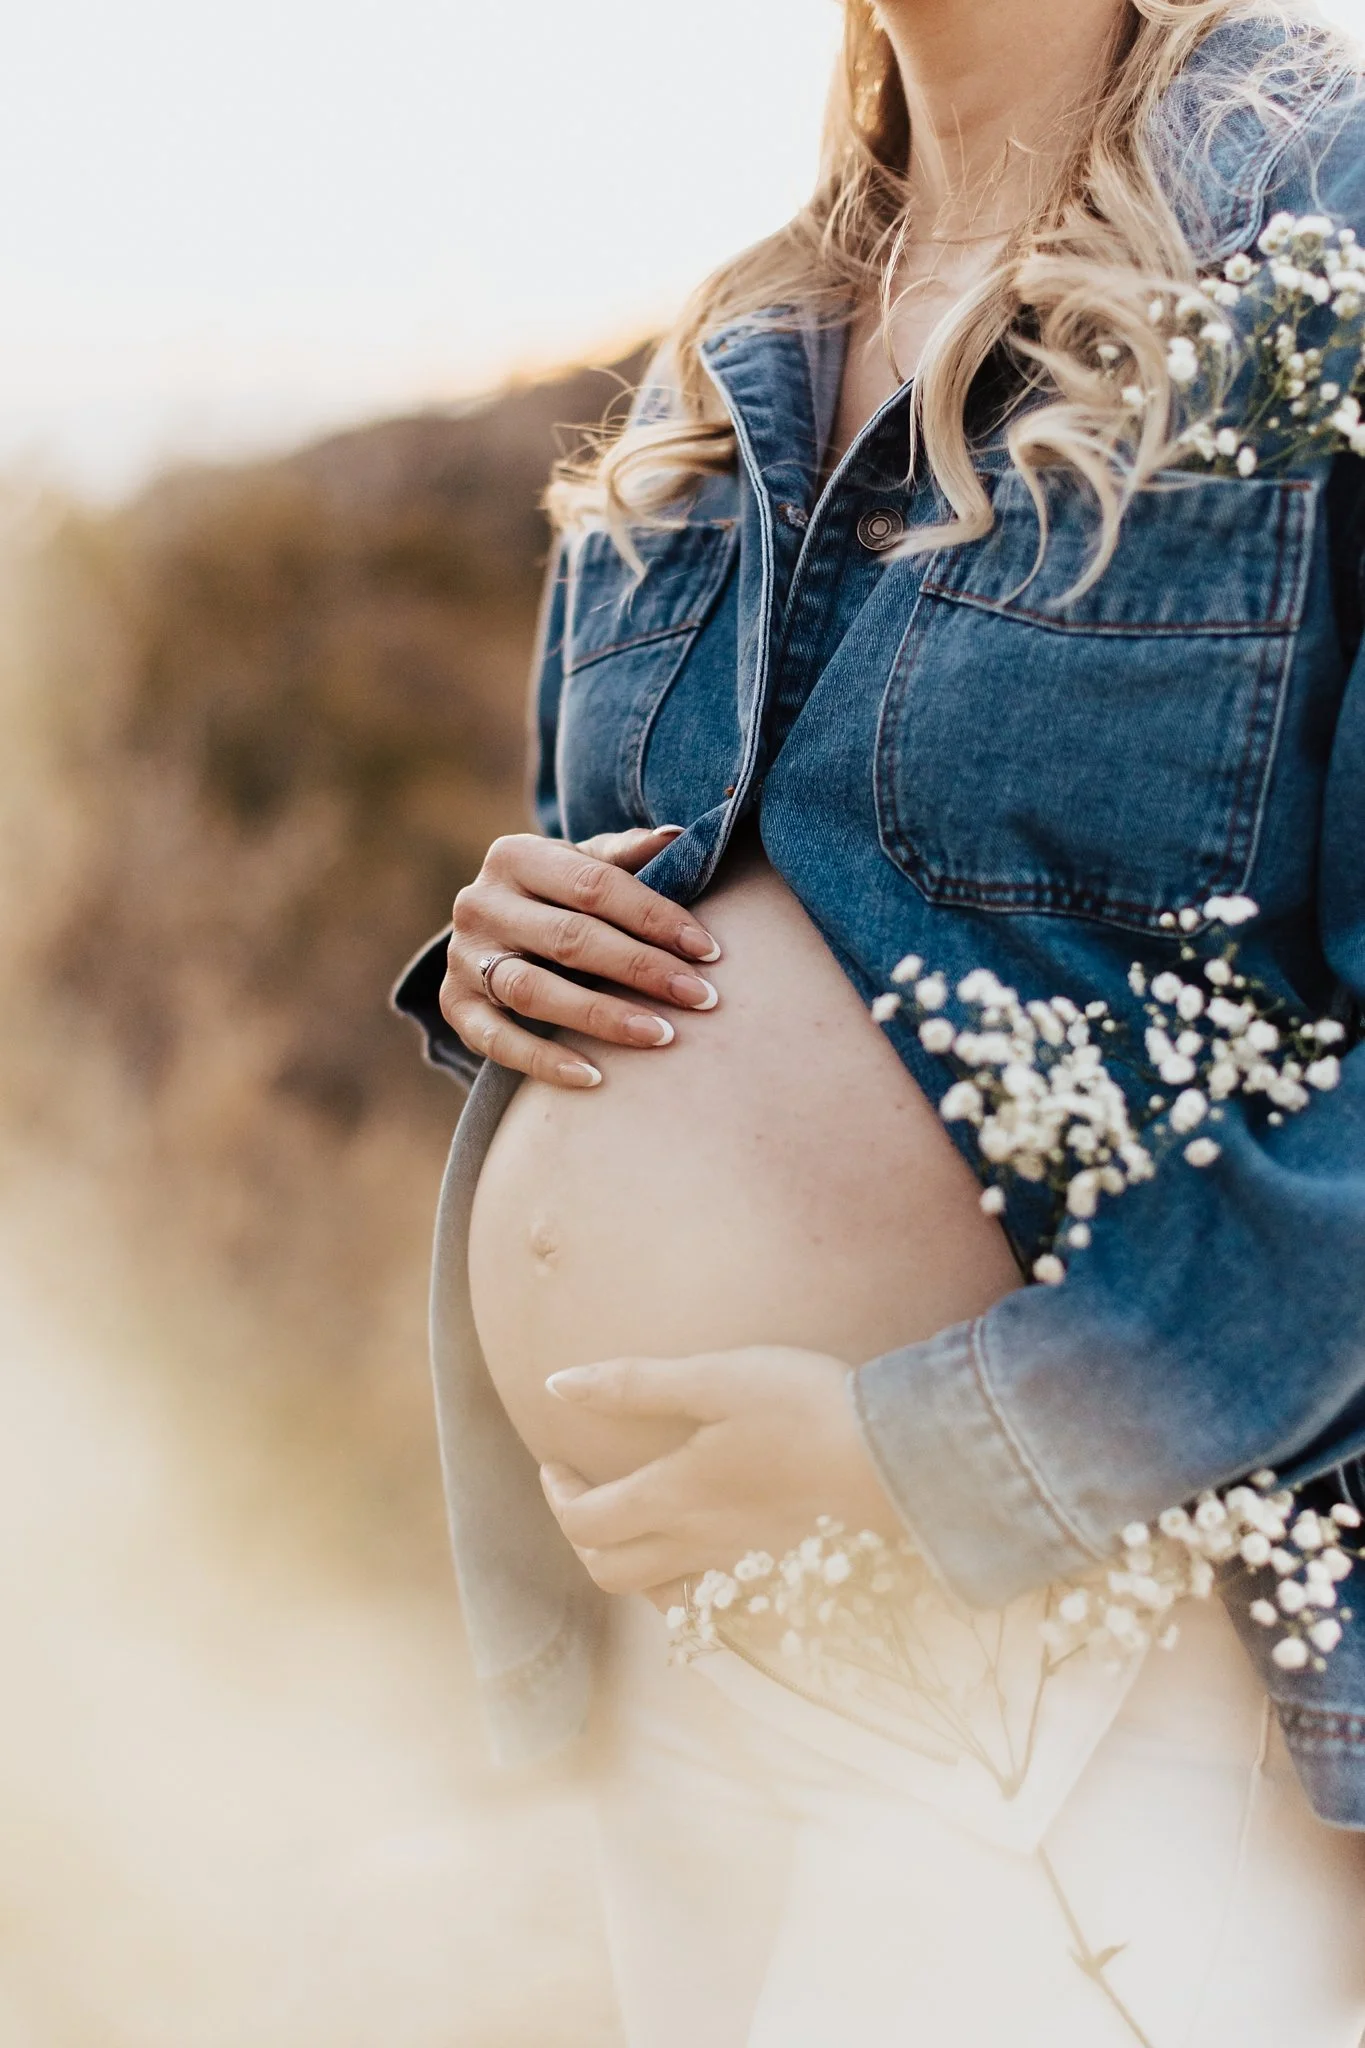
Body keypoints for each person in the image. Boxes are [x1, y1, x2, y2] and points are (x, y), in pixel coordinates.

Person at [395, 3, 1365, 2041]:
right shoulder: (734, 348)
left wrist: (934, 1452)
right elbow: (727, 927)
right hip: (687, 1637)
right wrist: (504, 958)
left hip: (1089, 1636)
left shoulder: (1318, 232)